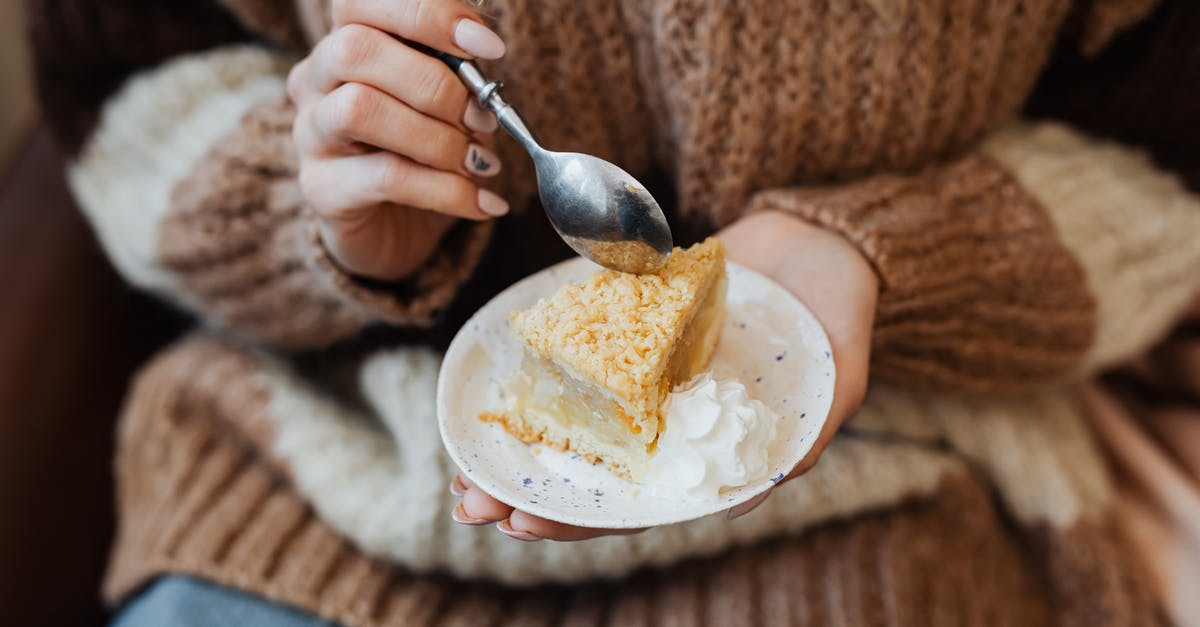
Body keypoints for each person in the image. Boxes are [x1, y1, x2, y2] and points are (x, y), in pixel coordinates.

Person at [27, 0, 1200, 624]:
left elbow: (1167, 154)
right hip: (331, 461)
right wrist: (318, 207)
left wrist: (885, 255)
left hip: (891, 474)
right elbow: (130, 80)